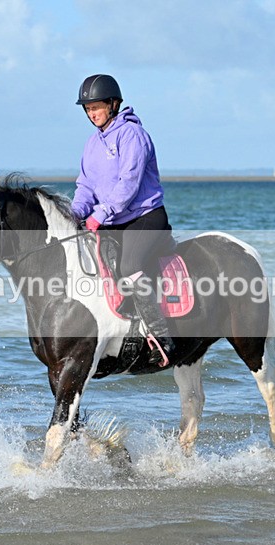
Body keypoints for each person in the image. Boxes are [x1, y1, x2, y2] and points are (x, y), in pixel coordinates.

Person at [71, 74, 176, 366]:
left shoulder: (133, 135)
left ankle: (162, 337)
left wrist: (100, 214)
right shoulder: (92, 144)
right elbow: (85, 186)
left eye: (96, 107)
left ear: (113, 104)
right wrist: (75, 213)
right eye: (88, 109)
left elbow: (128, 185)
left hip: (145, 217)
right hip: (114, 221)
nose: (92, 114)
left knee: (129, 265)